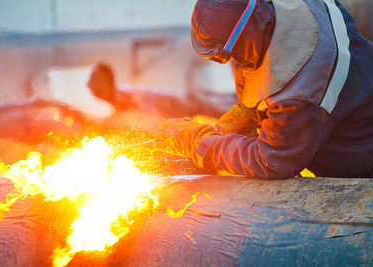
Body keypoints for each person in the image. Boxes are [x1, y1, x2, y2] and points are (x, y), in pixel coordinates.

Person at [159, 0, 373, 178]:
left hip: (363, 161)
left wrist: (202, 143)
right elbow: (265, 69)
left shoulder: (300, 92)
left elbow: (272, 160)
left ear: (242, 41)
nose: (230, 62)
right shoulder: (291, 7)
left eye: (225, 56)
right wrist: (242, 116)